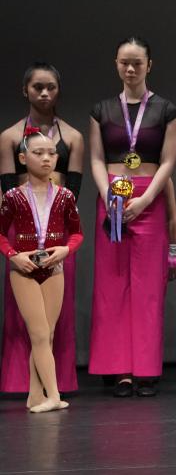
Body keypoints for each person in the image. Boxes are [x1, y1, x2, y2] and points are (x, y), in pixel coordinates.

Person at [88, 37, 176, 397]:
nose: (130, 69)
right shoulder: (101, 109)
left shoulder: (166, 110)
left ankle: (145, 369)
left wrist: (145, 200)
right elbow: (97, 158)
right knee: (112, 286)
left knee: (148, 288)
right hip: (112, 196)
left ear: (149, 65)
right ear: (116, 64)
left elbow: (168, 161)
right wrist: (107, 194)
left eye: (137, 63)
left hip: (149, 197)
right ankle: (120, 370)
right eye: (124, 62)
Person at [0, 63, 84, 397]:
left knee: (55, 317)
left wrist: (61, 235)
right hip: (21, 229)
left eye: (51, 87)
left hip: (57, 233)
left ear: (59, 90)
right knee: (21, 314)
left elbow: (73, 191)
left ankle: (56, 385)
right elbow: (6, 188)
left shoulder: (73, 137)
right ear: (25, 90)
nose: (45, 93)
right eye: (37, 87)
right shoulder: (9, 137)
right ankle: (22, 385)